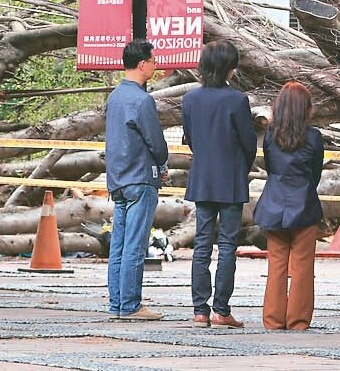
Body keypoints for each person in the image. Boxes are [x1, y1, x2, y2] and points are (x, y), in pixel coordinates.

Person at [181, 40, 257, 328]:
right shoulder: (236, 100)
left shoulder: (190, 99)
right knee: (227, 245)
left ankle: (199, 310)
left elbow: (190, 138)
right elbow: (248, 143)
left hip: (202, 176)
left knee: (201, 244)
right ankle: (221, 309)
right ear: (229, 68)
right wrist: (240, 167)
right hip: (231, 178)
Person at [105, 39, 169, 321]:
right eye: (153, 61)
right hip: (140, 177)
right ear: (142, 64)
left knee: (118, 245)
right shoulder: (142, 100)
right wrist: (163, 164)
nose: (155, 66)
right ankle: (131, 304)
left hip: (117, 179)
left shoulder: (115, 96)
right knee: (135, 244)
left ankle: (117, 303)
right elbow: (155, 141)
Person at [253, 82, 325, 330]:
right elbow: (315, 173)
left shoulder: (271, 136)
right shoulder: (314, 136)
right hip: (304, 202)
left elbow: (271, 168)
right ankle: (298, 320)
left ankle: (273, 319)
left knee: (276, 263)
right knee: (303, 266)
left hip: (274, 201)